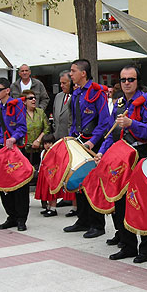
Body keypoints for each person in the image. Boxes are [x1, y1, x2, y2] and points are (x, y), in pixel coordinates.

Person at [97, 65, 147, 262]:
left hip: (140, 154)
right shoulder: (120, 103)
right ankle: (127, 244)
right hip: (120, 156)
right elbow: (111, 130)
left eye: (130, 79)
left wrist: (133, 124)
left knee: (142, 201)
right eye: (123, 80)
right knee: (120, 201)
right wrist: (101, 152)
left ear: (137, 81)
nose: (126, 83)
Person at [63, 59, 111, 239]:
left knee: (93, 184)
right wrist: (72, 137)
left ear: (83, 73)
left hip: (93, 143)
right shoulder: (76, 93)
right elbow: (75, 120)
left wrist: (92, 141)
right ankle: (82, 220)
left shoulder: (97, 93)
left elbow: (104, 122)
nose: (71, 74)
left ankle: (97, 225)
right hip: (79, 140)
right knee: (79, 181)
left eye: (73, 71)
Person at [0, 77, 30, 232]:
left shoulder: (18, 104)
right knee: (4, 184)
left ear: (7, 90)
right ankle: (11, 216)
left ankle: (21, 218)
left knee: (20, 185)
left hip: (16, 149)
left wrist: (13, 137)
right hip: (3, 151)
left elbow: (22, 127)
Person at [21, 89, 50, 171]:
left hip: (40, 149)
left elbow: (47, 128)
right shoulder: (20, 114)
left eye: (34, 98)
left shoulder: (40, 112)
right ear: (24, 101)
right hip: (25, 149)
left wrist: (38, 140)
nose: (33, 99)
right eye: (30, 98)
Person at [36, 134, 61, 216]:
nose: (47, 145)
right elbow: (41, 163)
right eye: (45, 143)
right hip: (44, 175)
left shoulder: (55, 153)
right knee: (46, 192)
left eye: (50, 143)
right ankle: (48, 207)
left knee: (52, 193)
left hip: (52, 175)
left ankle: (53, 209)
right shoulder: (43, 152)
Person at [52, 71, 73, 140]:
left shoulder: (77, 97)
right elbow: (55, 118)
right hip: (58, 139)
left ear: (71, 82)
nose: (61, 86)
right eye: (60, 83)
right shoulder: (58, 96)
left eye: (64, 83)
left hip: (71, 140)